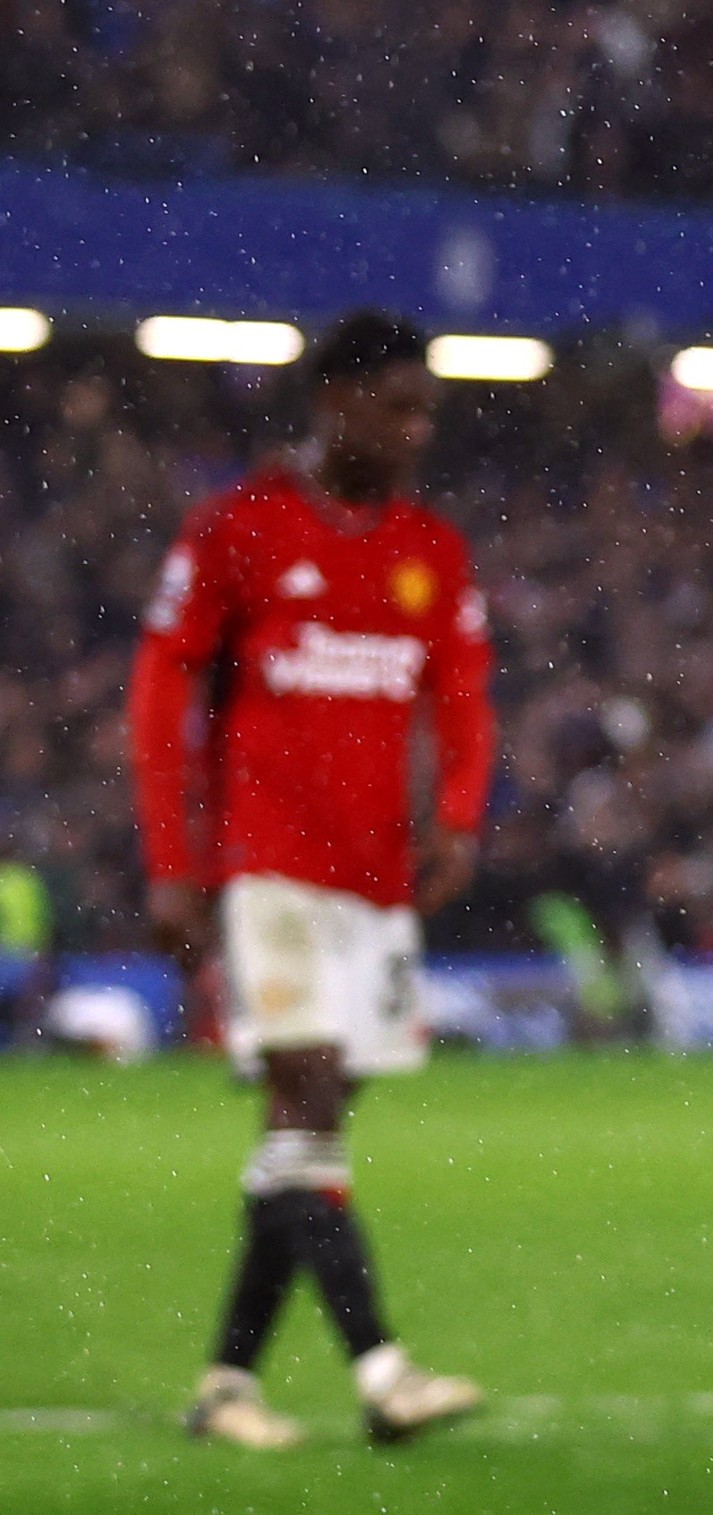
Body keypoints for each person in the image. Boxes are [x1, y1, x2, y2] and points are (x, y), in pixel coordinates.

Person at [130, 308, 494, 1453]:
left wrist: (459, 821)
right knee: (310, 1100)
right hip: (268, 872)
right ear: (335, 399)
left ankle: (228, 1382)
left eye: (428, 409)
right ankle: (384, 1374)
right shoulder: (240, 529)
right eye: (399, 404)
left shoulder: (429, 550)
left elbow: (464, 694)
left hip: (375, 885)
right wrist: (173, 863)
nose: (418, 429)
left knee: (309, 1136)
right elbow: (159, 689)